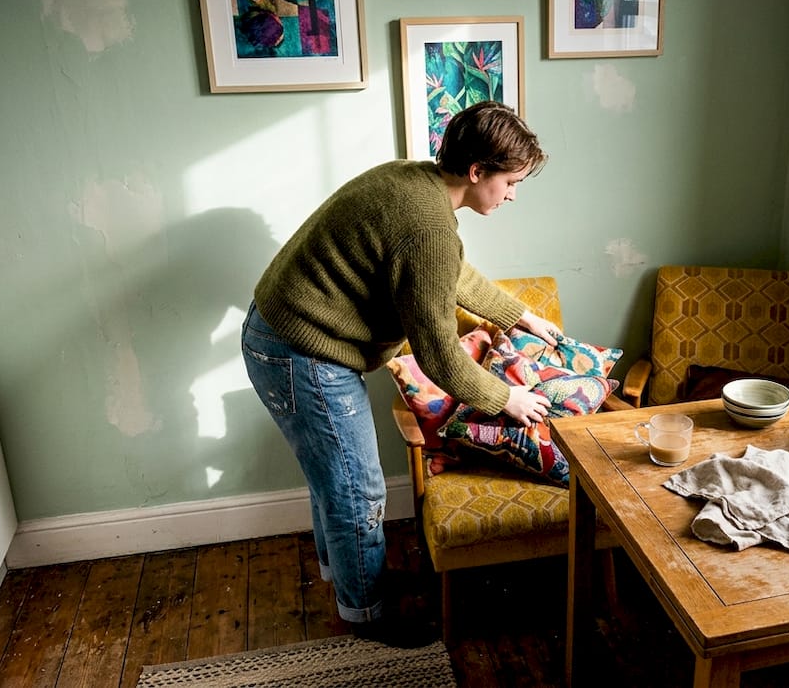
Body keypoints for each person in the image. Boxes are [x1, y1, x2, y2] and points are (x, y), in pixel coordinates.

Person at [240, 101, 561, 647]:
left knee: (333, 478)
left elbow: (450, 271)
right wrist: (507, 399)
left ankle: (346, 581)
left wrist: (518, 314)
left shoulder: (414, 181)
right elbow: (440, 356)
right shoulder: (428, 225)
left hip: (278, 332)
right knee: (357, 489)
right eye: (510, 182)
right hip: (300, 352)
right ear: (477, 171)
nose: (512, 195)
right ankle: (367, 617)